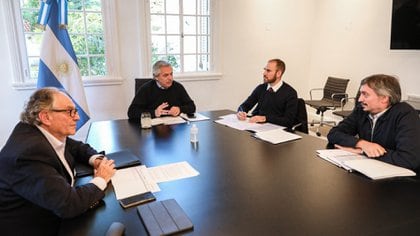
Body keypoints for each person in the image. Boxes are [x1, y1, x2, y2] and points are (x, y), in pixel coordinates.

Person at [0, 87, 116, 235]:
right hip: (37, 226)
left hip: (53, 213)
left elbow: (76, 147)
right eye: (69, 112)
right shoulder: (28, 153)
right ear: (46, 117)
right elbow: (68, 205)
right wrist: (101, 179)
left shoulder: (40, 131)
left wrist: (96, 160)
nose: (77, 117)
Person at [327, 74, 420, 171]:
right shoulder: (362, 110)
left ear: (384, 98)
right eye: (360, 94)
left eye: (365, 94)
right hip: (371, 169)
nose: (359, 99)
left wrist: (363, 152)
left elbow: (409, 159)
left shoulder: (405, 115)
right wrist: (361, 143)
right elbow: (333, 134)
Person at [236, 58, 298, 128]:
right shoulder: (261, 88)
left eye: (268, 71)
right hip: (256, 127)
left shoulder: (290, 93)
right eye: (265, 70)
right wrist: (241, 112)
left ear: (278, 73)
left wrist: (265, 118)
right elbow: (245, 105)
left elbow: (288, 121)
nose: (264, 73)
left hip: (276, 131)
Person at [128, 60, 196, 121]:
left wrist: (179, 109)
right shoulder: (146, 89)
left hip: (174, 127)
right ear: (156, 77)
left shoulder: (178, 87)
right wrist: (154, 113)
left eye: (171, 74)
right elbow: (132, 112)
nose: (170, 78)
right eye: (165, 75)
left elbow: (192, 107)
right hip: (153, 130)